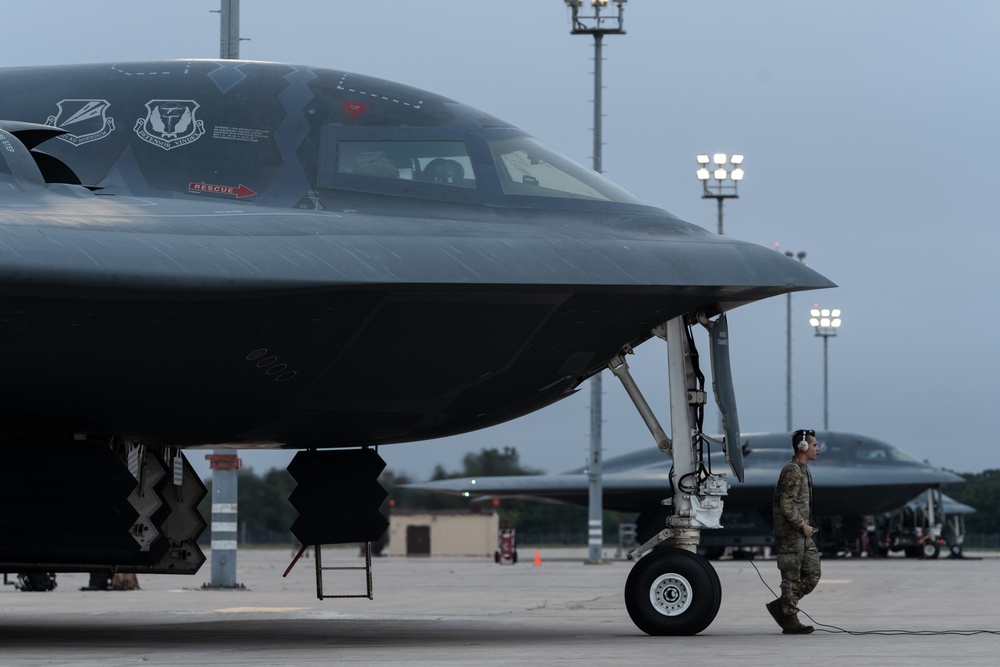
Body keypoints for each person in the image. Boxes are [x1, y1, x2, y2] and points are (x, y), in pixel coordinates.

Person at [766, 428, 821, 634]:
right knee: (791, 578)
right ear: (803, 447)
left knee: (813, 574)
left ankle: (781, 606)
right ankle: (790, 619)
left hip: (802, 535)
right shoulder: (792, 471)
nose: (818, 449)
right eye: (815, 445)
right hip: (792, 534)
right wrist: (802, 525)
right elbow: (786, 504)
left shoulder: (803, 470)